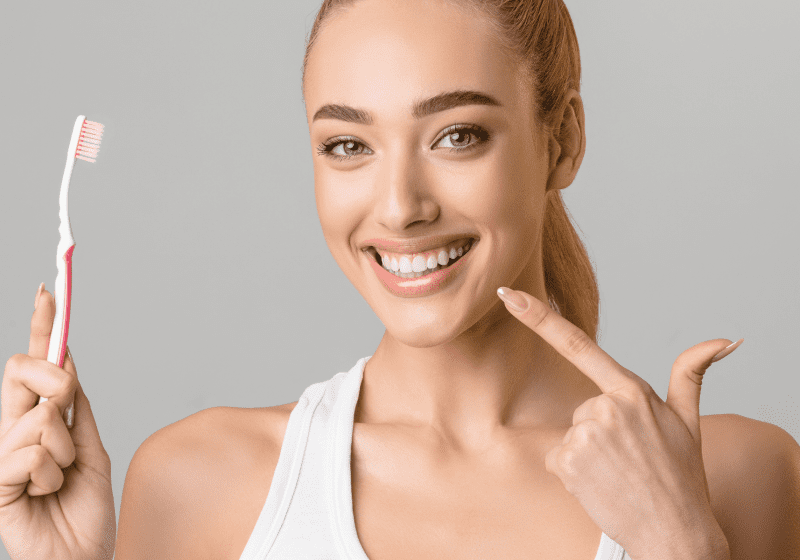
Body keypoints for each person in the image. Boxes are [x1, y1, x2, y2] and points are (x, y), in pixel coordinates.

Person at [2, 0, 798, 559]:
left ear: (562, 142)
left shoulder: (732, 477)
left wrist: (685, 551)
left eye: (457, 135)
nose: (400, 207)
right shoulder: (196, 482)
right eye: (348, 145)